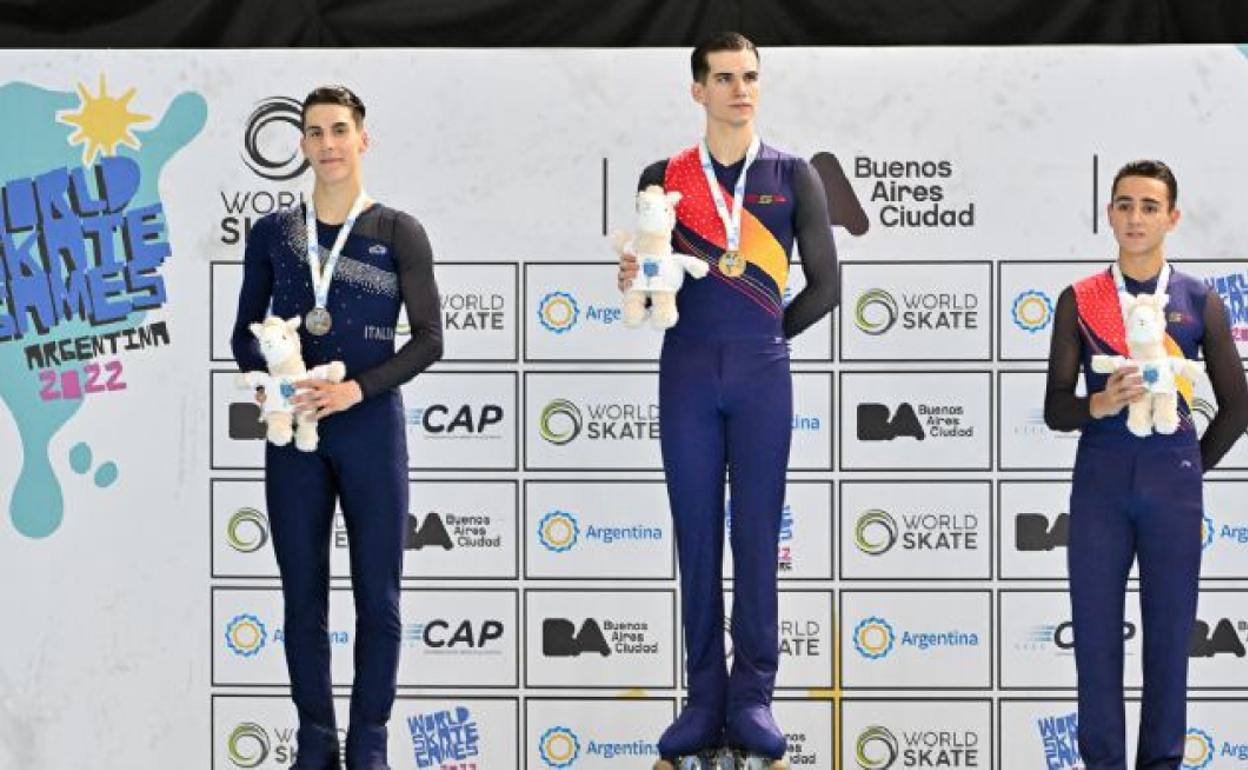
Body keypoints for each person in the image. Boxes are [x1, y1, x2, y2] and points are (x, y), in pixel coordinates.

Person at [616, 32, 839, 770]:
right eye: (723, 78)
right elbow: (652, 274)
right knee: (697, 538)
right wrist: (636, 282)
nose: (739, 90)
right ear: (697, 90)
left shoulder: (792, 174)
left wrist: (770, 333)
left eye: (749, 77)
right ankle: (702, 697)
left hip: (760, 376)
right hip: (685, 371)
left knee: (755, 540)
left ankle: (753, 698)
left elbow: (828, 286)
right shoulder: (664, 176)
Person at [231, 85, 443, 770]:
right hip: (295, 435)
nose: (328, 144)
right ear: (301, 144)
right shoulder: (274, 234)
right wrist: (275, 382)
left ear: (363, 139)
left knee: (377, 598)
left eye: (340, 130)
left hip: (369, 427)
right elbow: (243, 334)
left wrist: (356, 388)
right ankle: (316, 743)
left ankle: (369, 744)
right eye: (316, 132)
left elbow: (430, 339)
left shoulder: (396, 231)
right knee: (302, 596)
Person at [1044, 160, 1248, 770]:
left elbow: (1236, 407)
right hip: (1101, 481)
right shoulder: (1080, 299)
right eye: (1125, 205)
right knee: (1097, 641)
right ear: (1109, 214)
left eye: (1149, 207)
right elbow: (1057, 408)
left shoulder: (1198, 300)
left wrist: (1188, 467)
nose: (1135, 218)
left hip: (1172, 487)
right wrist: (1098, 403)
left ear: (1172, 218)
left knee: (1167, 643)